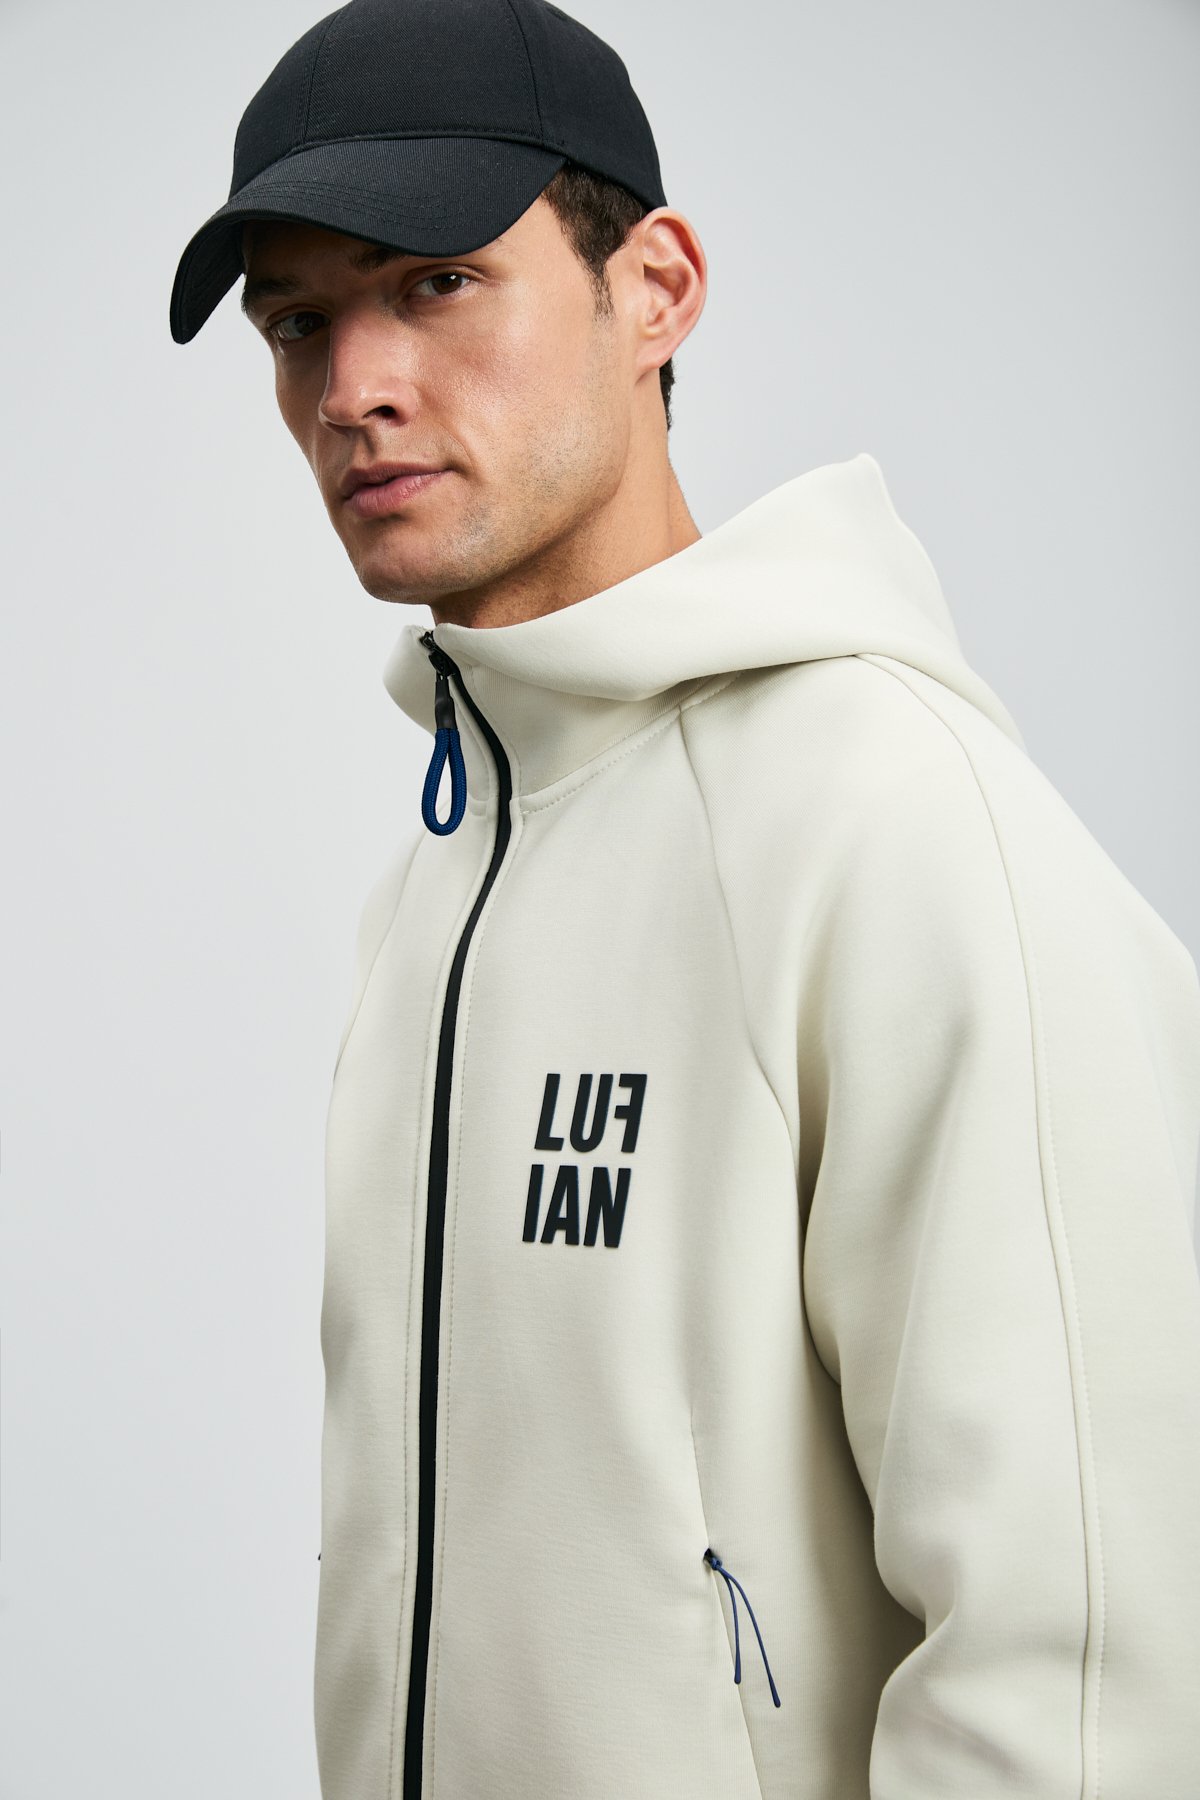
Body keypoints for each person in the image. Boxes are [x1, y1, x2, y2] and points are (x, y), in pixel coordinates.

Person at [170, 0, 1200, 1794]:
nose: (353, 388)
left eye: (434, 284)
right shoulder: (436, 893)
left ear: (655, 289)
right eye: (299, 322)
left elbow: (1096, 1660)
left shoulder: (893, 824)